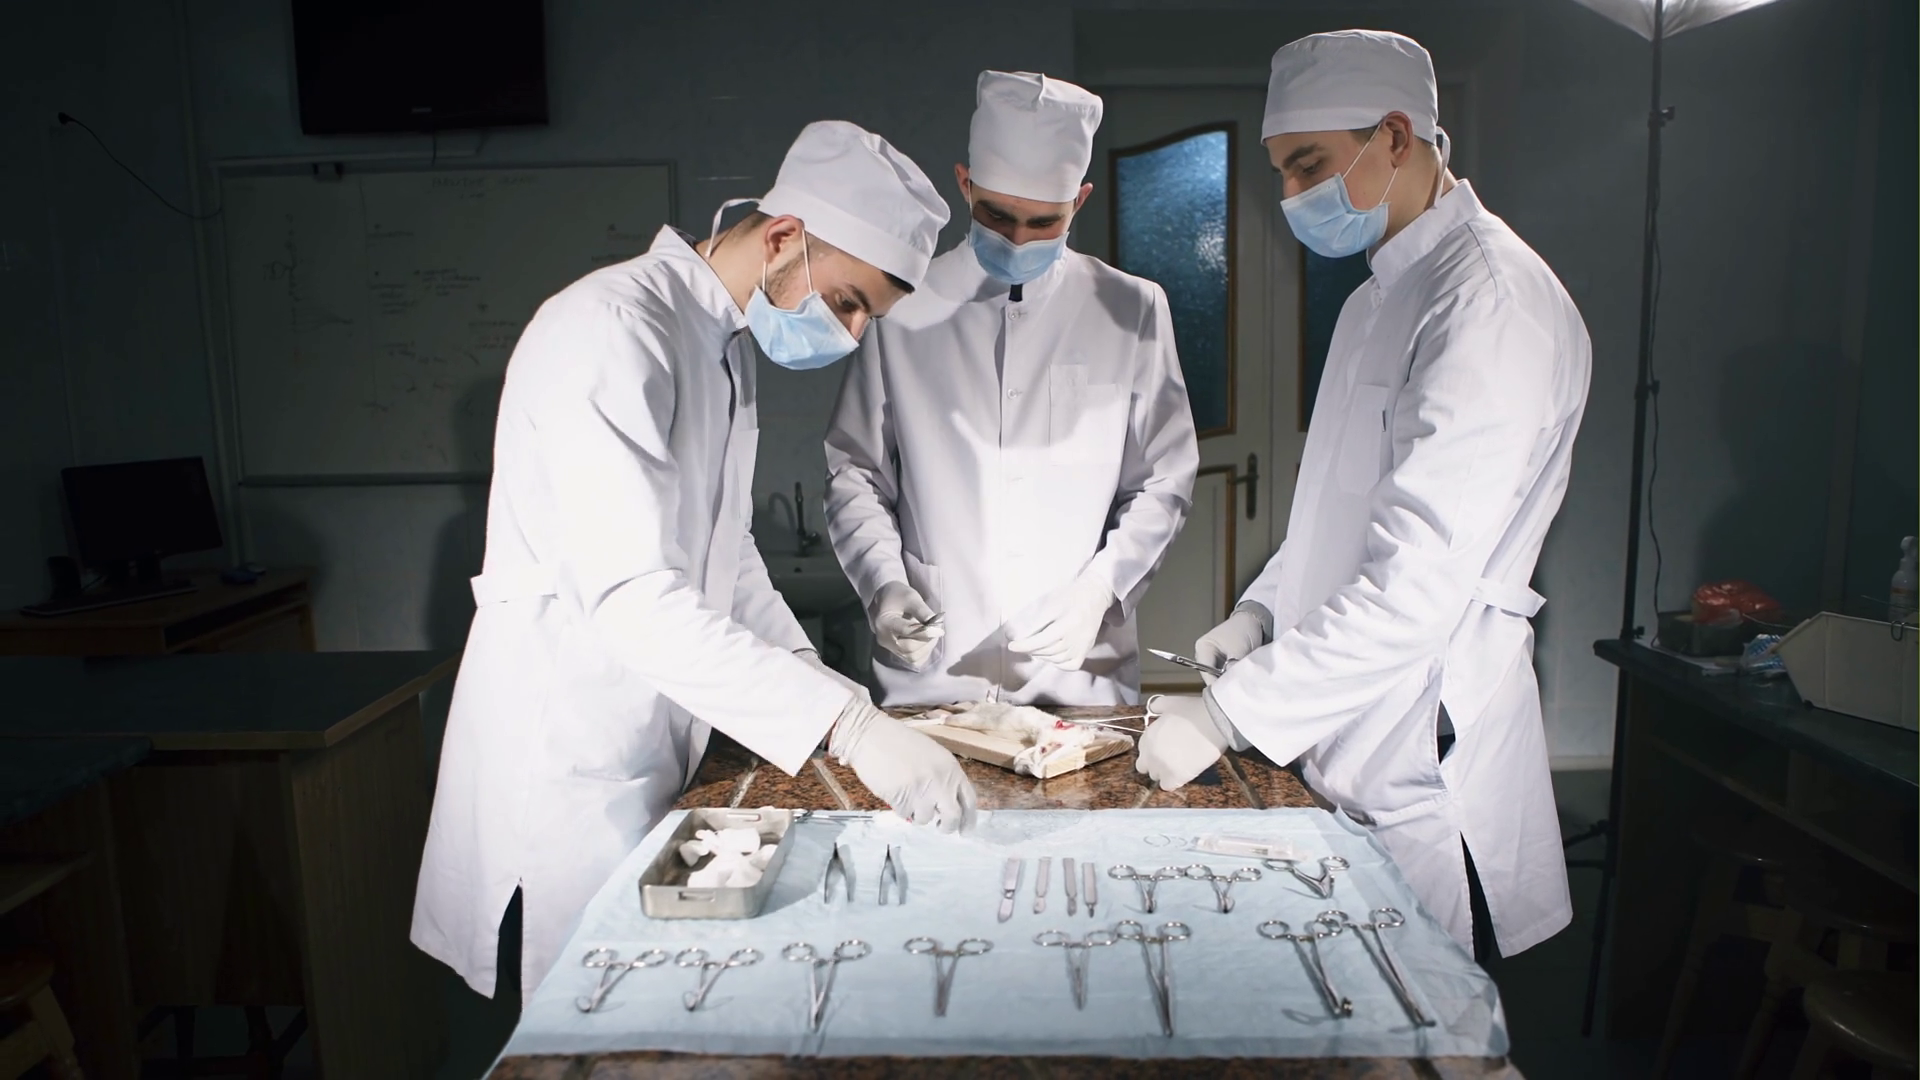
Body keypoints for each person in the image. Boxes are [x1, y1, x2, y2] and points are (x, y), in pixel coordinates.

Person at [412, 121, 978, 1004]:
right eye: (848, 301)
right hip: (564, 782)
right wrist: (848, 729)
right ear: (783, 238)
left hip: (646, 762)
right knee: (583, 1027)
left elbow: (727, 554)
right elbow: (633, 598)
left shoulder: (720, 343)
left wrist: (824, 686)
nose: (853, 333)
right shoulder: (609, 331)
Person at [1134, 30, 1592, 962]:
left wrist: (1224, 714)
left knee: (1416, 1008)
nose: (1291, 195)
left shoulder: (1488, 303)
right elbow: (1337, 516)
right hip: (1347, 731)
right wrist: (1262, 611)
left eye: (1308, 165)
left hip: (1417, 752)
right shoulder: (1375, 297)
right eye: (1281, 171)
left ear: (1394, 135)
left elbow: (1415, 589)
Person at [825, 71, 1199, 708]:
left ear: (1079, 202)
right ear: (965, 184)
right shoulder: (904, 306)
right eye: (997, 215)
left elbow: (1164, 480)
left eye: (1043, 221)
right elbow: (856, 473)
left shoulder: (1131, 309)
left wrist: (1101, 590)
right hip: (936, 667)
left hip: (1077, 671)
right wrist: (883, 583)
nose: (1018, 238)